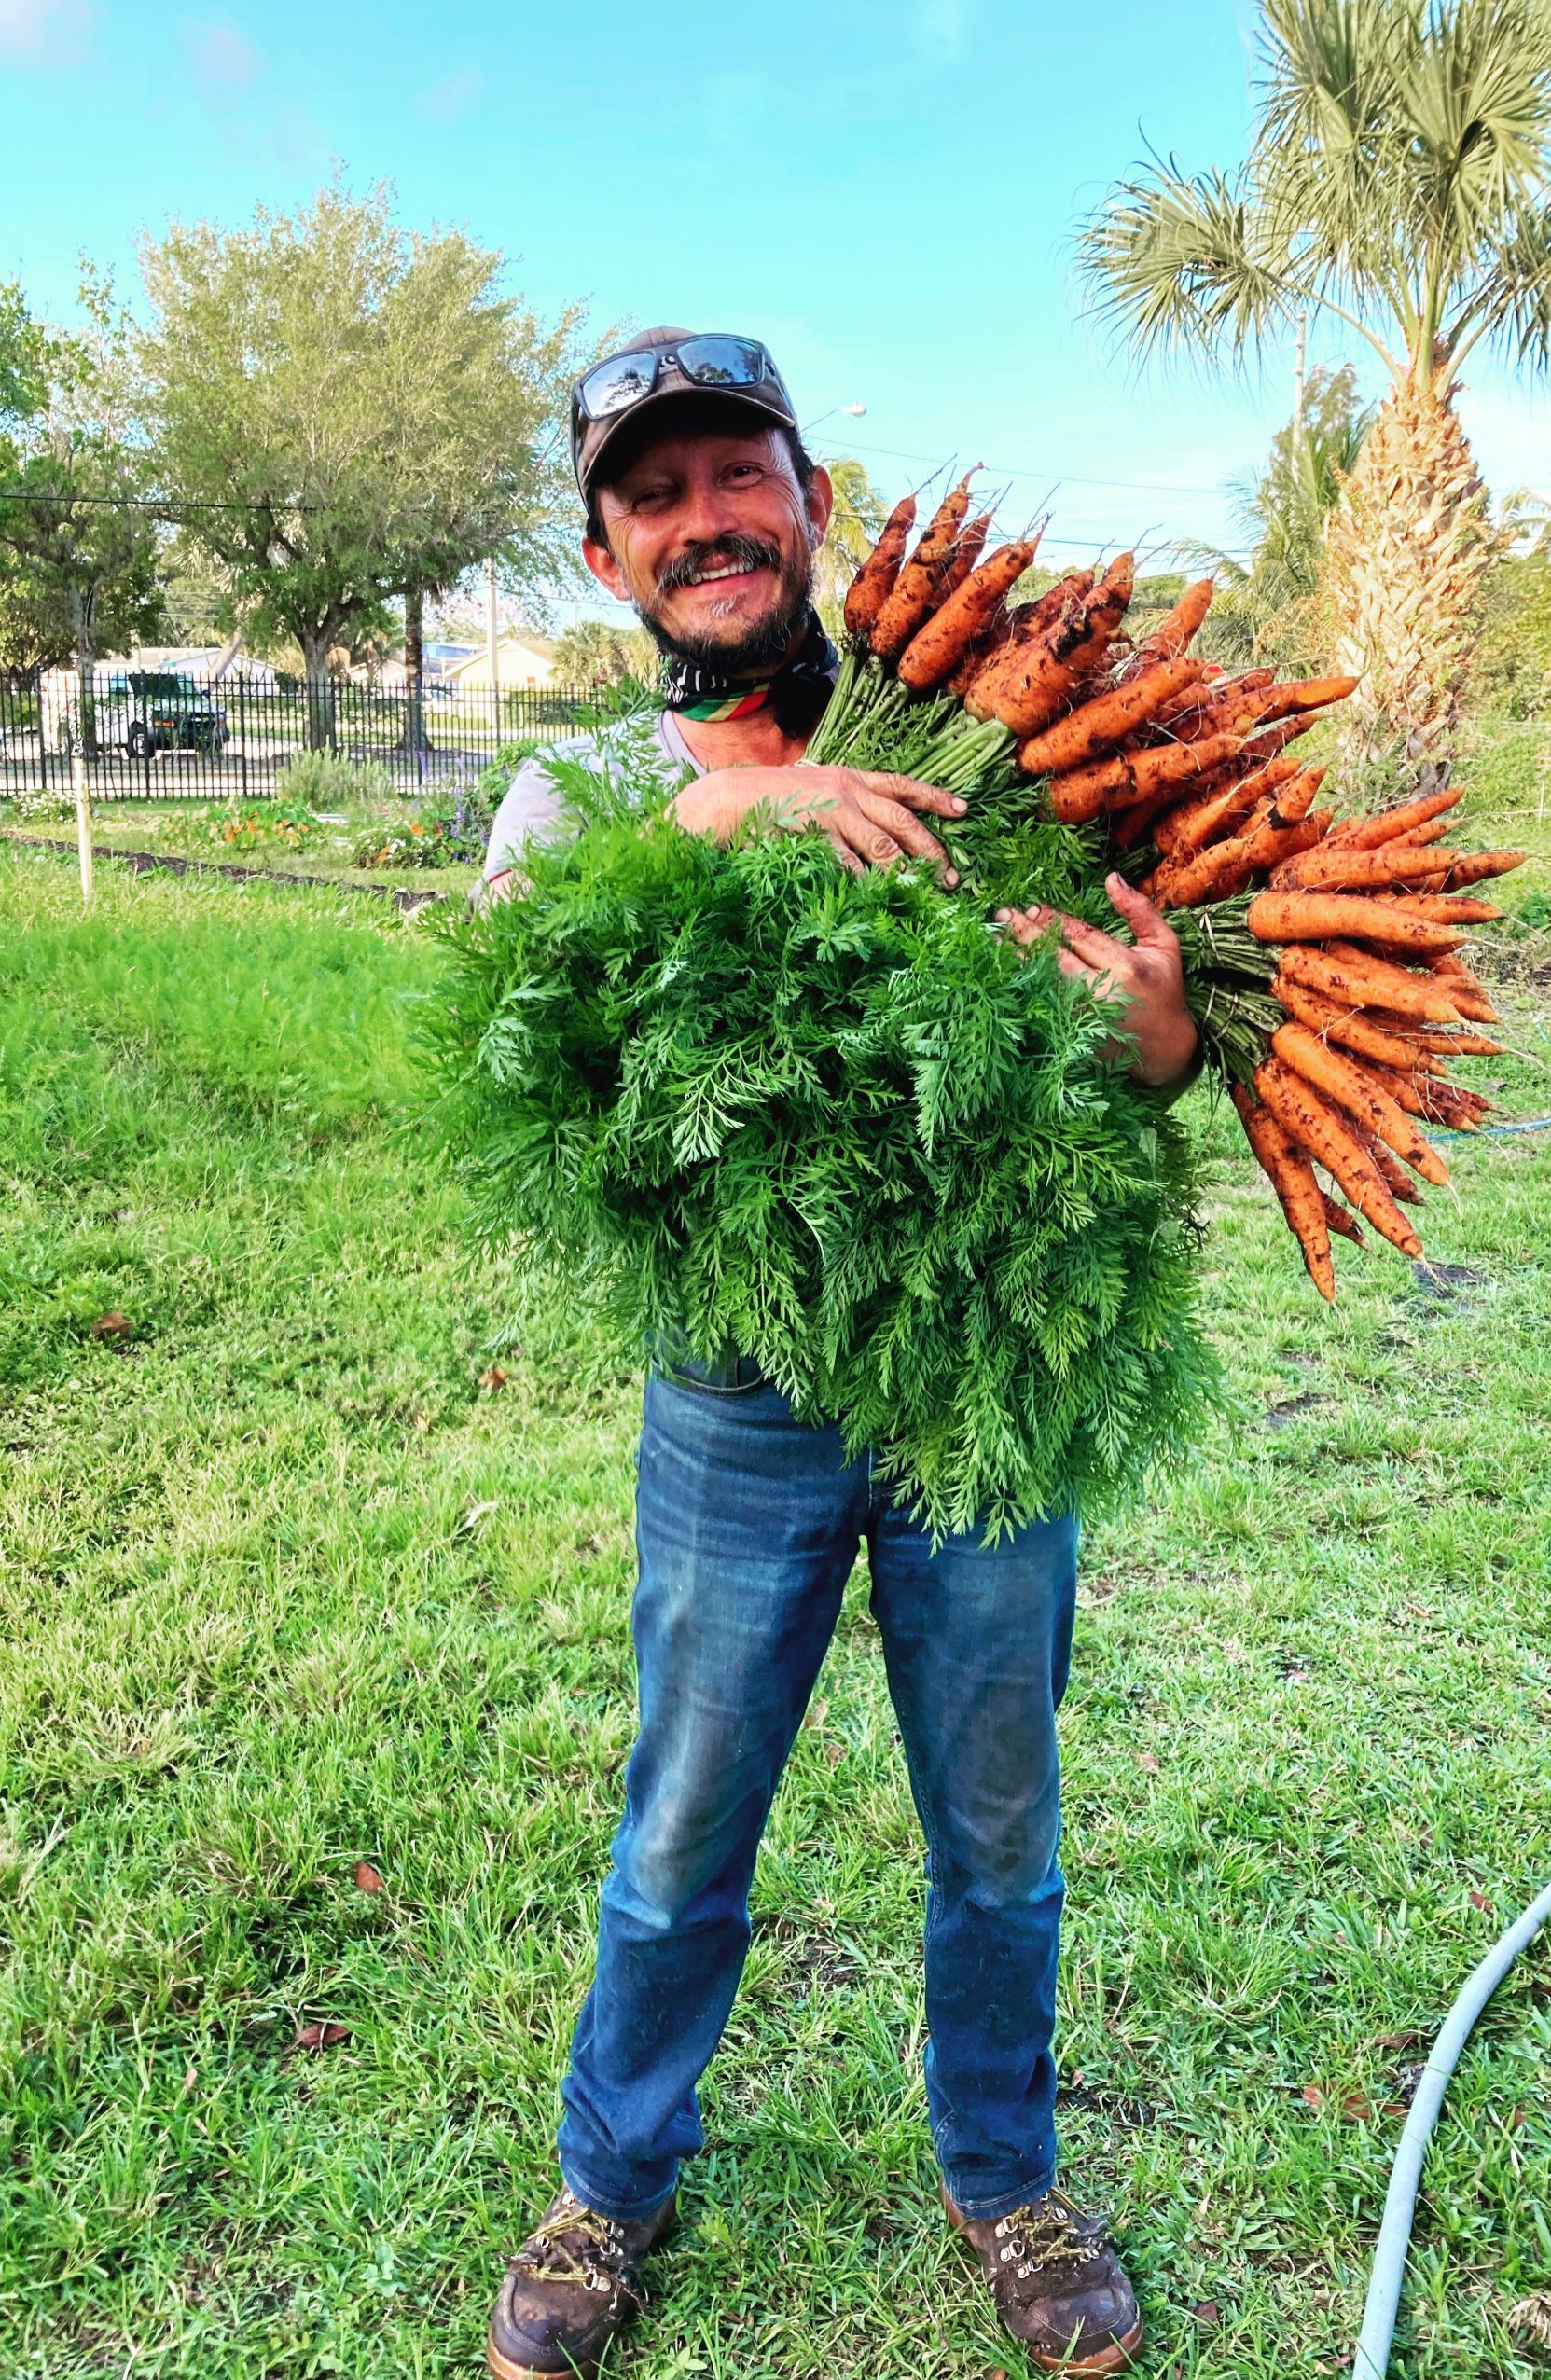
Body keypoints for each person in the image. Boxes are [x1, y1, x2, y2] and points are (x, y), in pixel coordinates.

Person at [482, 328, 1199, 2380]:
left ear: (810, 506)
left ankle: (1008, 2177)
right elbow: (526, 1042)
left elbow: (1108, 1050)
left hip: (987, 1376)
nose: (704, 518)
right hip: (737, 1406)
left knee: (995, 1818)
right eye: (654, 495)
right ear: (610, 559)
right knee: (685, 1819)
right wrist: (733, 829)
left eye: (738, 476)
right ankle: (608, 2185)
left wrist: (1152, 1047)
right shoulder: (583, 788)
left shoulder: (978, 748)